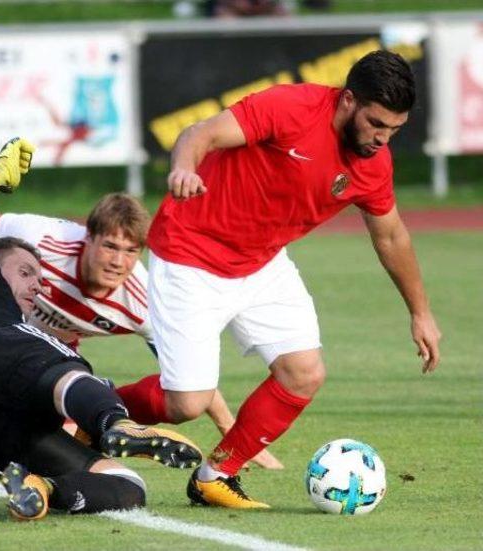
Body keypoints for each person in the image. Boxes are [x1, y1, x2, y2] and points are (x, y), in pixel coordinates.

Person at [116, 50, 442, 508]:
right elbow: (200, 134)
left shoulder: (374, 164)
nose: (382, 139)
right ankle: (89, 408)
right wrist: (184, 167)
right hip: (191, 253)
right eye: (376, 123)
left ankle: (215, 476)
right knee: (186, 404)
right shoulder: (292, 108)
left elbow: (391, 236)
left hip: (262, 263)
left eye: (394, 130)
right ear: (348, 100)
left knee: (303, 373)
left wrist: (420, 313)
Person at [0, 137, 202, 520]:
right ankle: (116, 422)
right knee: (65, 369)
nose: (39, 285)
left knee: (128, 487)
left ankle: (41, 487)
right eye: (26, 271)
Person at [0, 194, 282, 482]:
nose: (119, 261)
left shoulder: (144, 301)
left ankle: (24, 442)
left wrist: (233, 433)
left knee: (62, 431)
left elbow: (190, 374)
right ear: (87, 237)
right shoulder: (48, 237)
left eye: (131, 251)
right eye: (110, 246)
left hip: (39, 363)